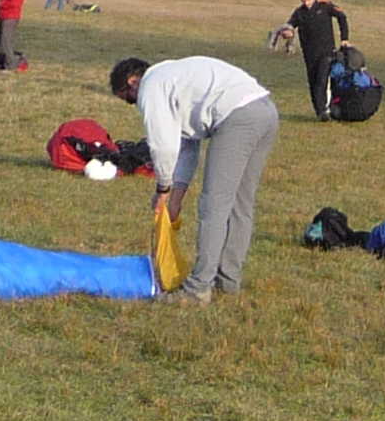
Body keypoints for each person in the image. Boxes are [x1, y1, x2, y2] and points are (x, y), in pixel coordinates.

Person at [110, 54, 277, 300]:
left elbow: (163, 146)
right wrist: (175, 199)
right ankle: (228, 282)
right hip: (266, 111)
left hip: (237, 117)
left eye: (128, 100)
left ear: (133, 82)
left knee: (214, 207)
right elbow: (186, 146)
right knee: (240, 205)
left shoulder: (151, 86)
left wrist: (163, 188)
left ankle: (198, 289)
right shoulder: (173, 77)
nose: (134, 105)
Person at [285, 0, 354, 120]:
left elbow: (342, 17)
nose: (307, 3)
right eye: (303, 0)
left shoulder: (325, 6)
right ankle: (319, 111)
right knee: (313, 81)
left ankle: (325, 109)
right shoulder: (299, 13)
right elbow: (290, 26)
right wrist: (287, 32)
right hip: (309, 54)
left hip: (326, 52)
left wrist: (344, 38)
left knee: (322, 80)